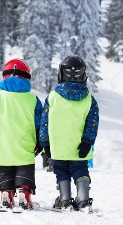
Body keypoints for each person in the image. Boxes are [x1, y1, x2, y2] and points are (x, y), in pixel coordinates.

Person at [0, 59, 43, 210]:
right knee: (24, 167)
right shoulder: (33, 99)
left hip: (3, 144)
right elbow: (39, 123)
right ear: (27, 77)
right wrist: (40, 142)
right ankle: (24, 193)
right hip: (25, 143)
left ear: (4, 76)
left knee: (5, 169)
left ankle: (6, 193)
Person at [39, 55, 99, 212]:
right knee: (80, 169)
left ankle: (65, 199)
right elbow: (92, 124)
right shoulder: (89, 100)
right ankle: (83, 199)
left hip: (58, 146)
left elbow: (44, 122)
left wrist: (45, 143)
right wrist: (88, 141)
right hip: (79, 146)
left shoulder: (52, 97)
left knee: (62, 170)